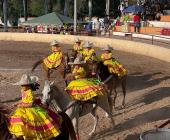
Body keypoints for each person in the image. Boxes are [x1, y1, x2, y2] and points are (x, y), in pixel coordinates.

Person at [9, 74, 62, 139]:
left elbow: (31, 104)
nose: (21, 86)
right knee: (17, 118)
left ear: (28, 85)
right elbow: (23, 100)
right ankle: (20, 134)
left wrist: (22, 105)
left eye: (23, 85)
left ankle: (32, 135)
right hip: (23, 109)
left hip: (31, 109)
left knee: (33, 122)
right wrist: (16, 103)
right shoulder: (23, 91)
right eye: (21, 85)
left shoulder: (30, 92)